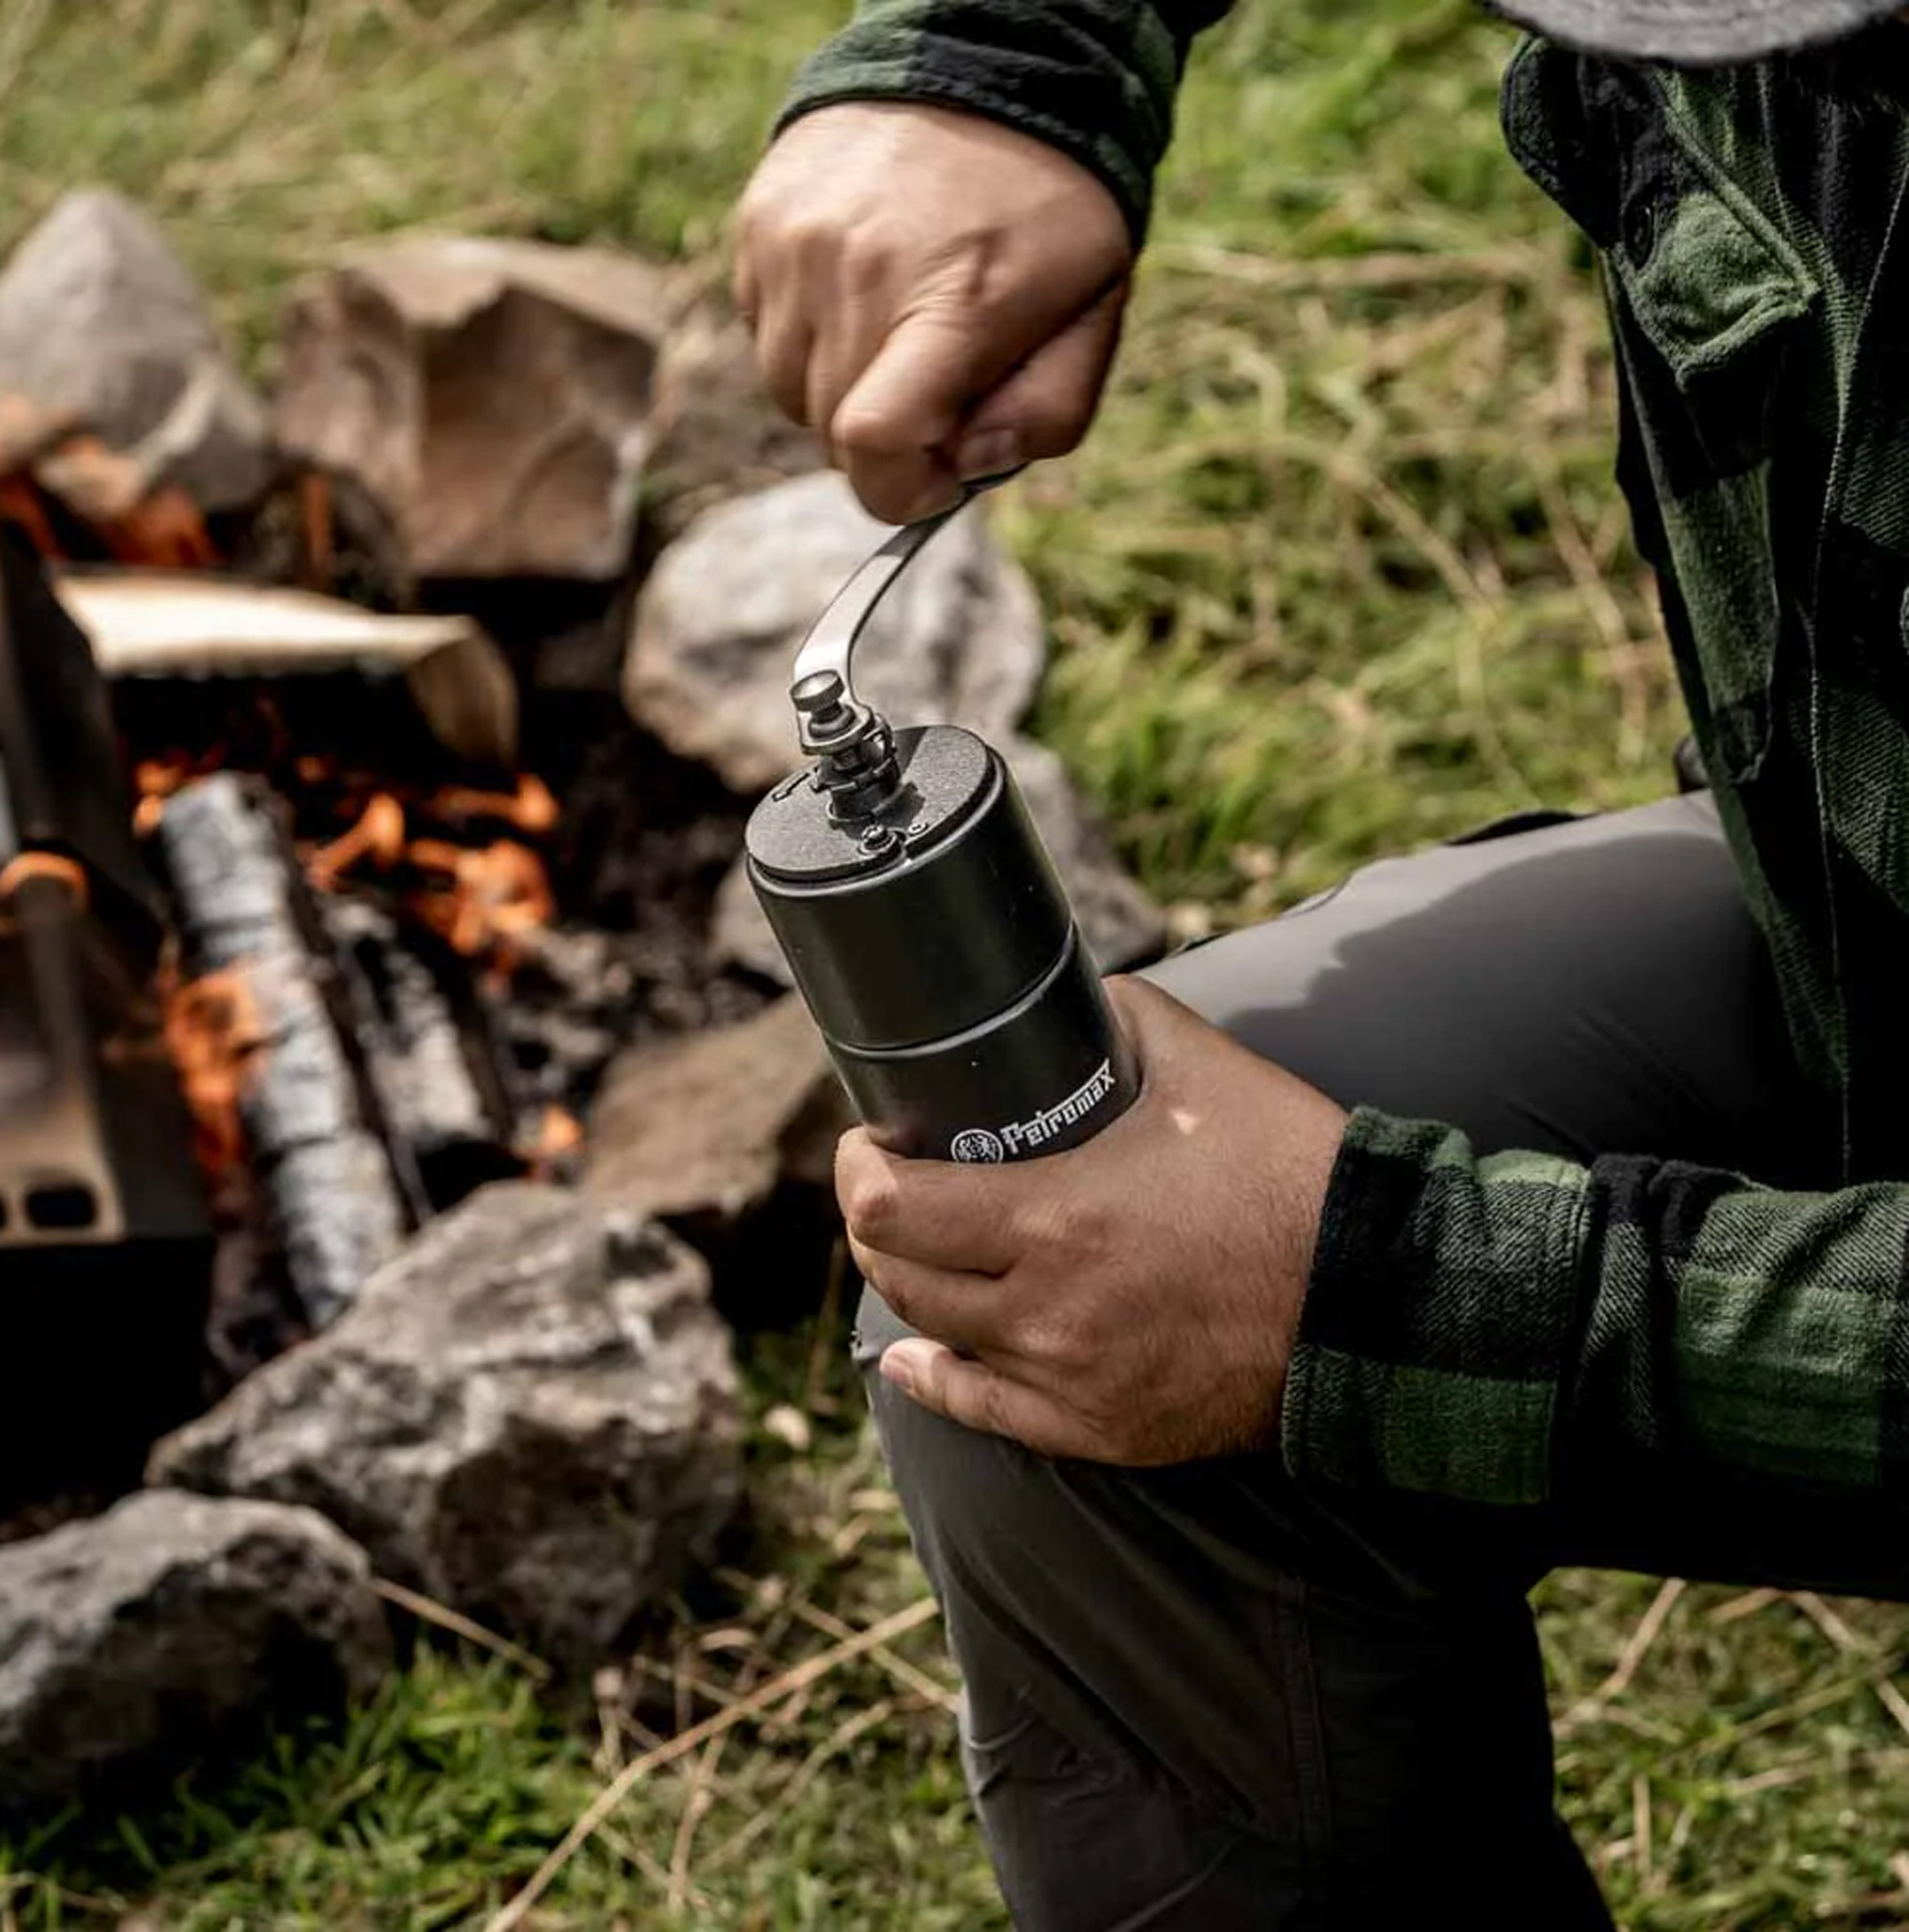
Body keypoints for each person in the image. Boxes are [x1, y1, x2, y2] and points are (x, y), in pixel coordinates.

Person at [735, 2, 1909, 1925]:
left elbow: (1365, 1290)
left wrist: (1385, 1287)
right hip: (1849, 921)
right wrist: (1016, 53)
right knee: (1045, 1283)